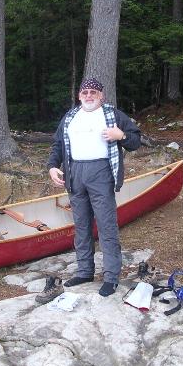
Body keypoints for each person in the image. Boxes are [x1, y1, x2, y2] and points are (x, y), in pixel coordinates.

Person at [47, 78, 141, 297]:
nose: (89, 96)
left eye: (93, 92)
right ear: (79, 96)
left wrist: (122, 136)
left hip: (101, 173)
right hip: (74, 174)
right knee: (81, 225)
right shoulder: (70, 117)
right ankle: (85, 271)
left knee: (107, 225)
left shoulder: (113, 115)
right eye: (85, 92)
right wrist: (52, 166)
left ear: (101, 96)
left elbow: (135, 140)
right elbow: (58, 145)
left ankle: (111, 277)